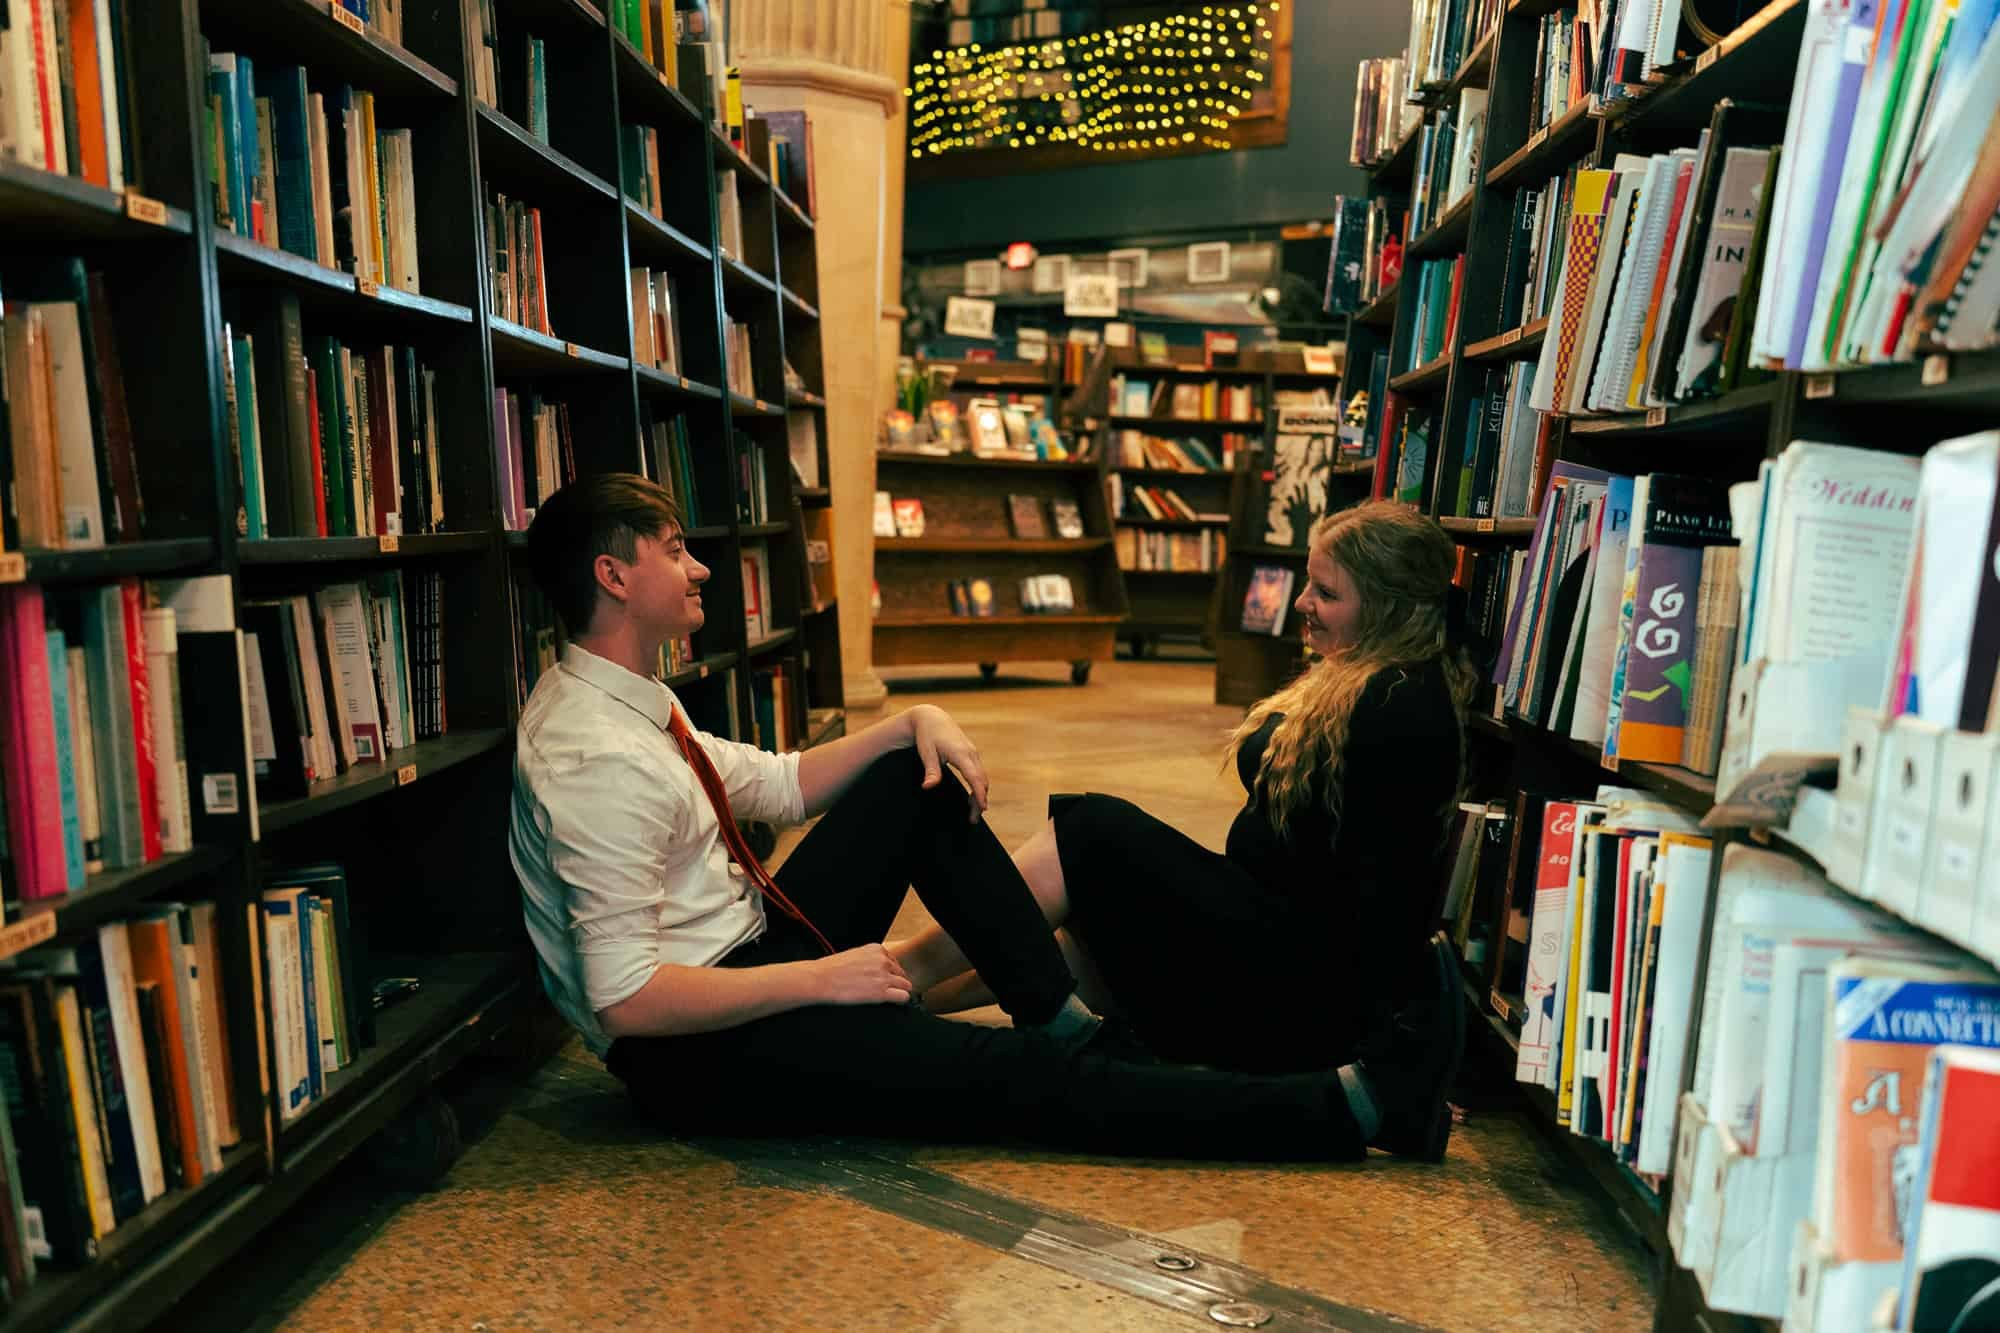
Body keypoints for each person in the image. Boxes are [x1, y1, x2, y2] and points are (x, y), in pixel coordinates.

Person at [507, 473, 1460, 1163]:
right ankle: (1345, 1112)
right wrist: (819, 980)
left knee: (914, 777)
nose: (702, 567)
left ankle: (1059, 1016)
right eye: (674, 550)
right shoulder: (593, 754)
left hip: (755, 949)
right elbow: (625, 1001)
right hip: (702, 1053)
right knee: (1016, 1083)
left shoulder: (634, 700)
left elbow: (783, 784)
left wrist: (914, 720)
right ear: (615, 576)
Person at [908, 500, 1471, 1151]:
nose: (1303, 604)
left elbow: (1359, 908)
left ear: (1386, 605)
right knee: (1069, 923)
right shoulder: (1380, 681)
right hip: (1277, 951)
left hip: (1291, 989)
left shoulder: (1398, 703)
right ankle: (901, 991)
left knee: (1092, 833)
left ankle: (896, 982)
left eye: (1327, 592)